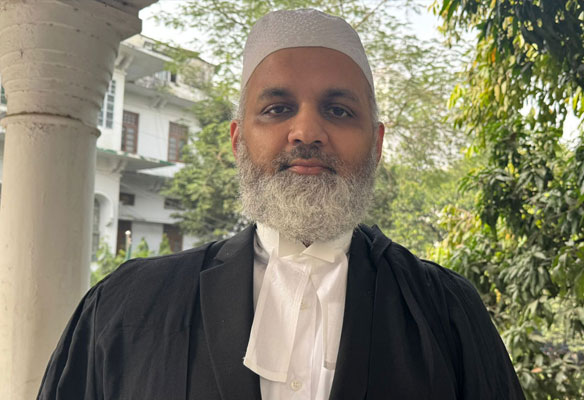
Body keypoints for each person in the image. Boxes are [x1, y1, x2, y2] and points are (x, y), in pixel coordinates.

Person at [38, 9, 524, 400]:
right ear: (238, 141)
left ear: (376, 145)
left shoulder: (446, 312)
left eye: (339, 110)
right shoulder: (126, 307)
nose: (307, 132)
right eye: (277, 109)